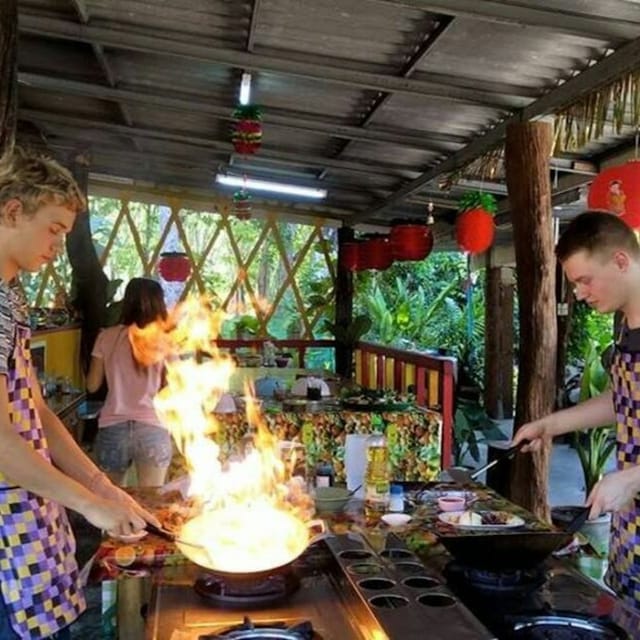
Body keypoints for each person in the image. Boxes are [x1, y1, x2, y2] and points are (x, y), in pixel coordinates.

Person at [0, 147, 160, 639]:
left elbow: (39, 410)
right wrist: (90, 506)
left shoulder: (11, 297)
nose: (57, 245)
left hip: (30, 514)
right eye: (53, 229)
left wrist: (101, 486)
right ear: (11, 212)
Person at [513, 210, 640, 608]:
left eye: (584, 280)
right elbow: (623, 399)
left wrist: (633, 477)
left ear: (620, 261)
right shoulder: (624, 325)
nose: (580, 293)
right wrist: (550, 425)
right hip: (630, 530)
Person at [86, 277, 173, 487]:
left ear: (127, 301)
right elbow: (174, 388)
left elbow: (92, 385)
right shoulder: (165, 340)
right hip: (153, 426)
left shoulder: (106, 337)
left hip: (113, 427)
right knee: (153, 503)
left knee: (114, 504)